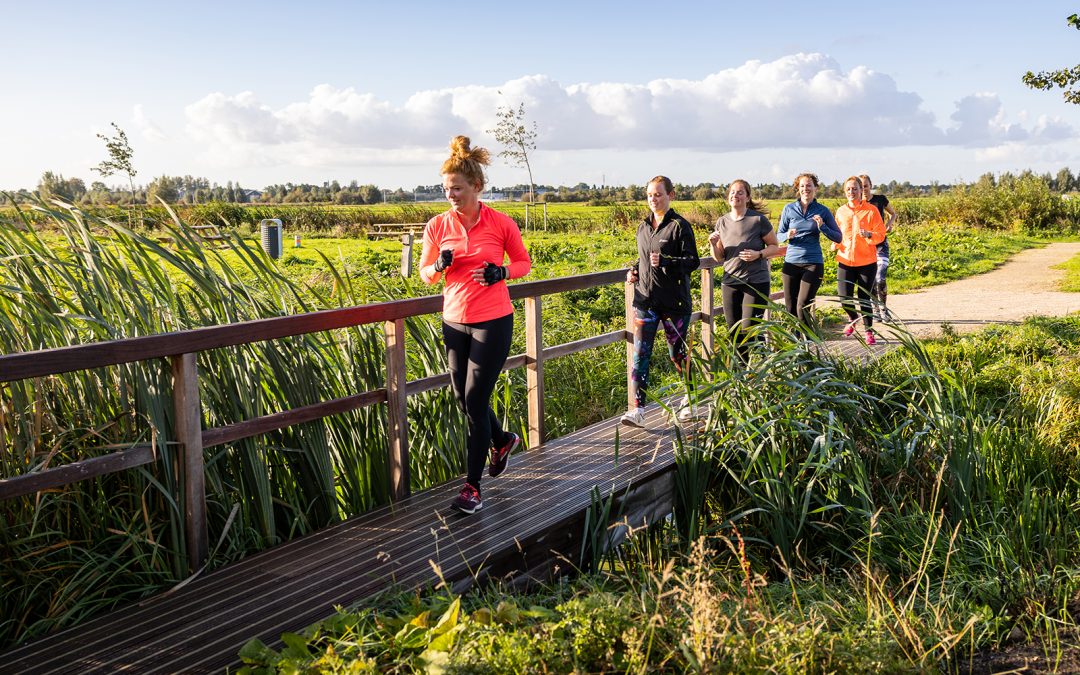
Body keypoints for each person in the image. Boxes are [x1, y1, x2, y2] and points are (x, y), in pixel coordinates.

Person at [419, 136, 532, 514]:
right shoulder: (437, 226)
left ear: (477, 187)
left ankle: (472, 487)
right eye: (446, 188)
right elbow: (425, 275)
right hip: (454, 321)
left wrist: (500, 272)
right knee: (463, 399)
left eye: (457, 188)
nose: (450, 194)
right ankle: (501, 441)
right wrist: (439, 266)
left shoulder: (501, 223)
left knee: (475, 399)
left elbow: (523, 264)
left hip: (493, 322)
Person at [622, 176, 700, 428]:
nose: (653, 199)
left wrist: (667, 261)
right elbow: (644, 258)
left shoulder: (680, 226)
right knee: (640, 355)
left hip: (674, 303)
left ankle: (692, 399)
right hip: (645, 300)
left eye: (658, 194)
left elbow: (692, 262)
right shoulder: (643, 227)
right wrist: (634, 271)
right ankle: (638, 410)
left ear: (671, 195)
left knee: (677, 354)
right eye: (649, 195)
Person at [707, 179, 780, 363]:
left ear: (747, 197)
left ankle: (767, 361)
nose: (735, 195)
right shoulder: (722, 222)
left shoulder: (757, 220)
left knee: (749, 329)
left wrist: (759, 254)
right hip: (730, 282)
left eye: (740, 192)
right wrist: (713, 244)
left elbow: (774, 246)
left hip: (756, 282)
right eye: (732, 192)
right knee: (734, 332)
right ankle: (741, 376)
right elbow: (719, 257)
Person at [776, 173, 842, 335]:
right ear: (798, 189)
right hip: (791, 262)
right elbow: (778, 235)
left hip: (813, 262)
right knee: (791, 306)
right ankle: (796, 345)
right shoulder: (789, 209)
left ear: (815, 188)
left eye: (809, 185)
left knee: (803, 304)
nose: (806, 189)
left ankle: (808, 343)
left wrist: (822, 227)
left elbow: (838, 237)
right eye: (803, 186)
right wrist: (786, 236)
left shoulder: (822, 211)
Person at [833, 176, 886, 345]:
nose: (852, 192)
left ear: (861, 190)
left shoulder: (871, 210)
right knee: (844, 298)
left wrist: (869, 234)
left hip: (867, 262)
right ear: (844, 191)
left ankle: (869, 332)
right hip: (845, 260)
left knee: (864, 298)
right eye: (848, 189)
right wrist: (834, 243)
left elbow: (881, 234)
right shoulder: (841, 211)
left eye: (855, 189)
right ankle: (854, 318)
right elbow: (836, 233)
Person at [859, 175, 898, 311]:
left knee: (880, 278)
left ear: (870, 185)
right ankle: (875, 308)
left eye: (866, 185)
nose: (864, 188)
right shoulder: (857, 204)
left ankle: (884, 309)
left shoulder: (880, 199)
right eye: (861, 186)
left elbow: (893, 214)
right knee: (870, 281)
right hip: (864, 246)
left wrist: (888, 225)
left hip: (880, 243)